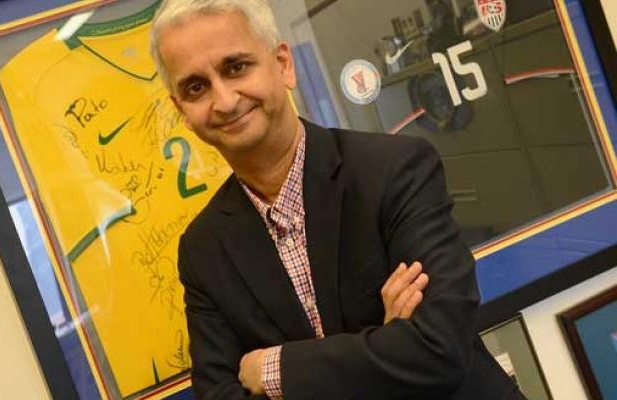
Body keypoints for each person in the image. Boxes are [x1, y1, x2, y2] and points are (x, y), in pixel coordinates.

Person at [149, 1, 523, 399]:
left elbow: (437, 350)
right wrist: (384, 344)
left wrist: (273, 369)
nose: (223, 100)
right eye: (196, 87)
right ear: (182, 110)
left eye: (236, 67)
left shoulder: (395, 171)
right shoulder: (204, 249)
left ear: (283, 65)